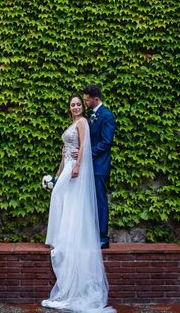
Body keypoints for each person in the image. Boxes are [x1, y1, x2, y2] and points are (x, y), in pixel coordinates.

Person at [42, 93, 114, 312]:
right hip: (67, 167)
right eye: (72, 104)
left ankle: (68, 236)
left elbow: (83, 146)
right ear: (69, 107)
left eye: (78, 104)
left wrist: (77, 166)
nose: (75, 107)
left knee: (70, 201)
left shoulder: (82, 122)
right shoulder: (72, 123)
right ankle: (60, 235)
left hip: (76, 168)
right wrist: (56, 175)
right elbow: (64, 153)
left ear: (83, 106)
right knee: (59, 196)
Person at [81, 84, 116, 249]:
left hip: (100, 166)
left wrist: (88, 153)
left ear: (96, 99)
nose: (85, 102)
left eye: (87, 99)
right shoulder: (90, 115)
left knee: (100, 201)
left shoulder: (107, 115)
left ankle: (103, 237)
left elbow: (106, 142)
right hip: (88, 166)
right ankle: (91, 235)